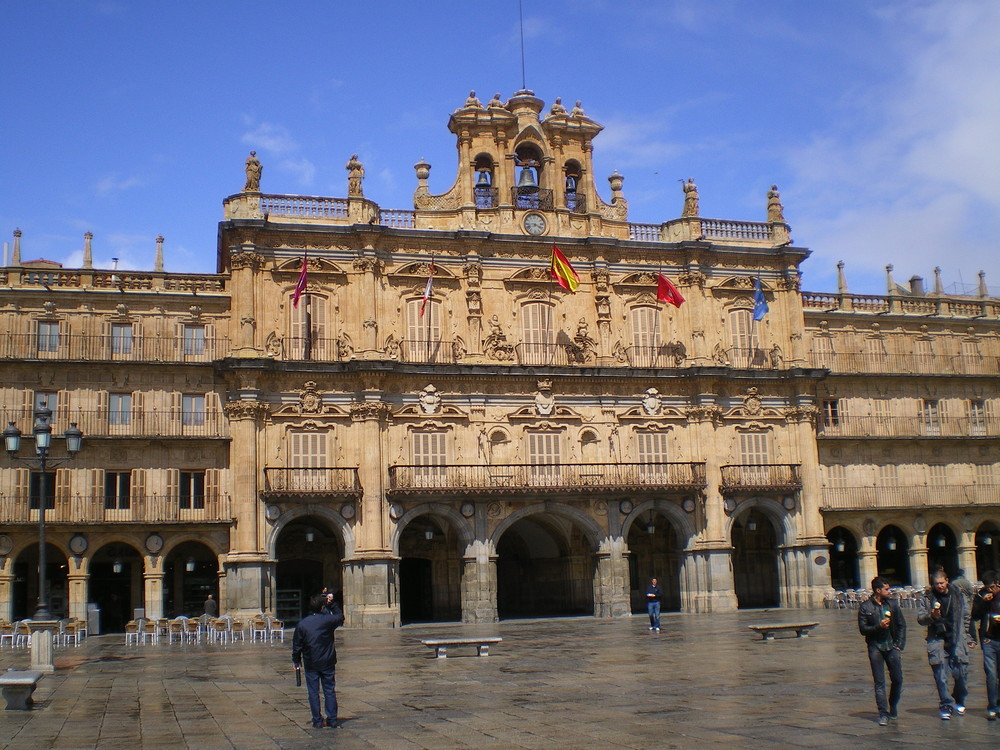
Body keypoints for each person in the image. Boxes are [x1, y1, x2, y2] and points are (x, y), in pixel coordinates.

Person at [917, 570, 972, 720]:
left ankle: (959, 699)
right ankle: (946, 704)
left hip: (957, 639)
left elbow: (967, 616)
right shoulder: (928, 598)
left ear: (947, 581)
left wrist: (967, 635)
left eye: (941, 583)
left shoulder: (959, 596)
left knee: (961, 674)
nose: (939, 586)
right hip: (937, 640)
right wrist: (931, 617)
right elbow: (921, 619)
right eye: (936, 584)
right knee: (941, 676)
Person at [858, 577, 906, 726]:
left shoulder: (892, 605)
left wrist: (899, 645)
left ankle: (893, 705)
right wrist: (879, 627)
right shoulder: (865, 607)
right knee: (879, 682)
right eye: (886, 589)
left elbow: (901, 625)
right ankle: (883, 713)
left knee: (898, 679)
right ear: (878, 591)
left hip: (891, 646)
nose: (889, 591)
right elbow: (863, 630)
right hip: (875, 647)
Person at [293, 592, 345, 729]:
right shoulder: (328, 621)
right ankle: (332, 719)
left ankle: (317, 720)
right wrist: (332, 603)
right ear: (322, 607)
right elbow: (340, 617)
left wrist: (296, 661)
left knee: (313, 692)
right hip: (327, 661)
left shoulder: (302, 624)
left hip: (311, 663)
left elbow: (297, 646)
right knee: (329, 690)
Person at [969, 570, 1000, 720]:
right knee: (991, 675)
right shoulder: (980, 596)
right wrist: (983, 602)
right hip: (988, 640)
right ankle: (992, 706)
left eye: (993, 587)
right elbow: (974, 616)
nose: (991, 590)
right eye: (988, 587)